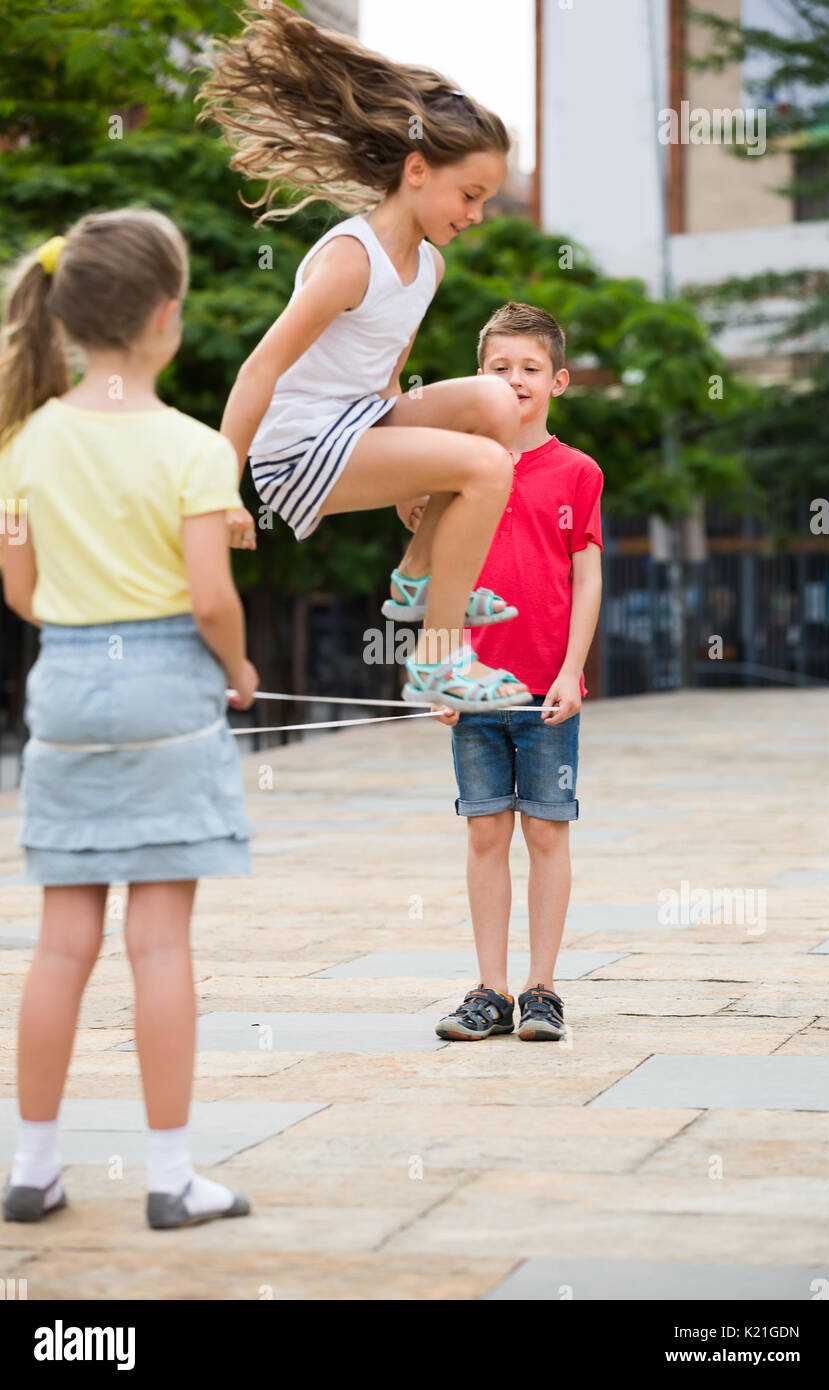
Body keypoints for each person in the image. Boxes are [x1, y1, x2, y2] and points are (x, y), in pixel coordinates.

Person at [0, 208, 258, 1229]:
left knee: (61, 942)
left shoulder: (20, 444)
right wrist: (236, 666)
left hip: (63, 681)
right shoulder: (193, 449)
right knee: (158, 941)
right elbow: (210, 596)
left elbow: (19, 591)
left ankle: (34, 1166)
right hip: (164, 682)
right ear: (164, 317)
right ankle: (169, 1175)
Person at [197, 0, 532, 712]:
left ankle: (415, 577)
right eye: (469, 195)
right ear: (417, 168)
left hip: (360, 420)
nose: (475, 215)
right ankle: (438, 662)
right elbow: (261, 366)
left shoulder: (428, 267)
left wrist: (415, 473)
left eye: (484, 201)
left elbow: (385, 377)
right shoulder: (352, 258)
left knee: (497, 401)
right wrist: (221, 488)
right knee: (487, 465)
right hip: (297, 449)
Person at [398, 304, 603, 1041]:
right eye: (498, 368)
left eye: (530, 369)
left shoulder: (578, 472)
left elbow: (587, 574)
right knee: (485, 831)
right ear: (476, 377)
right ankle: (489, 990)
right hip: (474, 684)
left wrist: (574, 670)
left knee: (547, 834)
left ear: (559, 380)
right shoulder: (452, 469)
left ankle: (541, 989)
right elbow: (426, 571)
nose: (514, 382)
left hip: (545, 688)